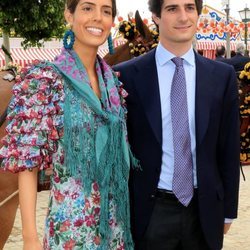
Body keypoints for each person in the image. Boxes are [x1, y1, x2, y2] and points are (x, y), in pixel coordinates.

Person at [0, 0, 134, 249]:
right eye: (87, 8)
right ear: (68, 16)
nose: (97, 17)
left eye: (106, 11)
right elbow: (28, 165)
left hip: (115, 229)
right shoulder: (46, 81)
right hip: (70, 230)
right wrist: (30, 238)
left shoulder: (113, 85)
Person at [114, 0, 240, 249]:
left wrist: (228, 211)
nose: (183, 16)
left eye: (189, 7)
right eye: (172, 8)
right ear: (156, 16)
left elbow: (228, 148)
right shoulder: (126, 76)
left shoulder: (221, 77)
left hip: (204, 211)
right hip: (149, 213)